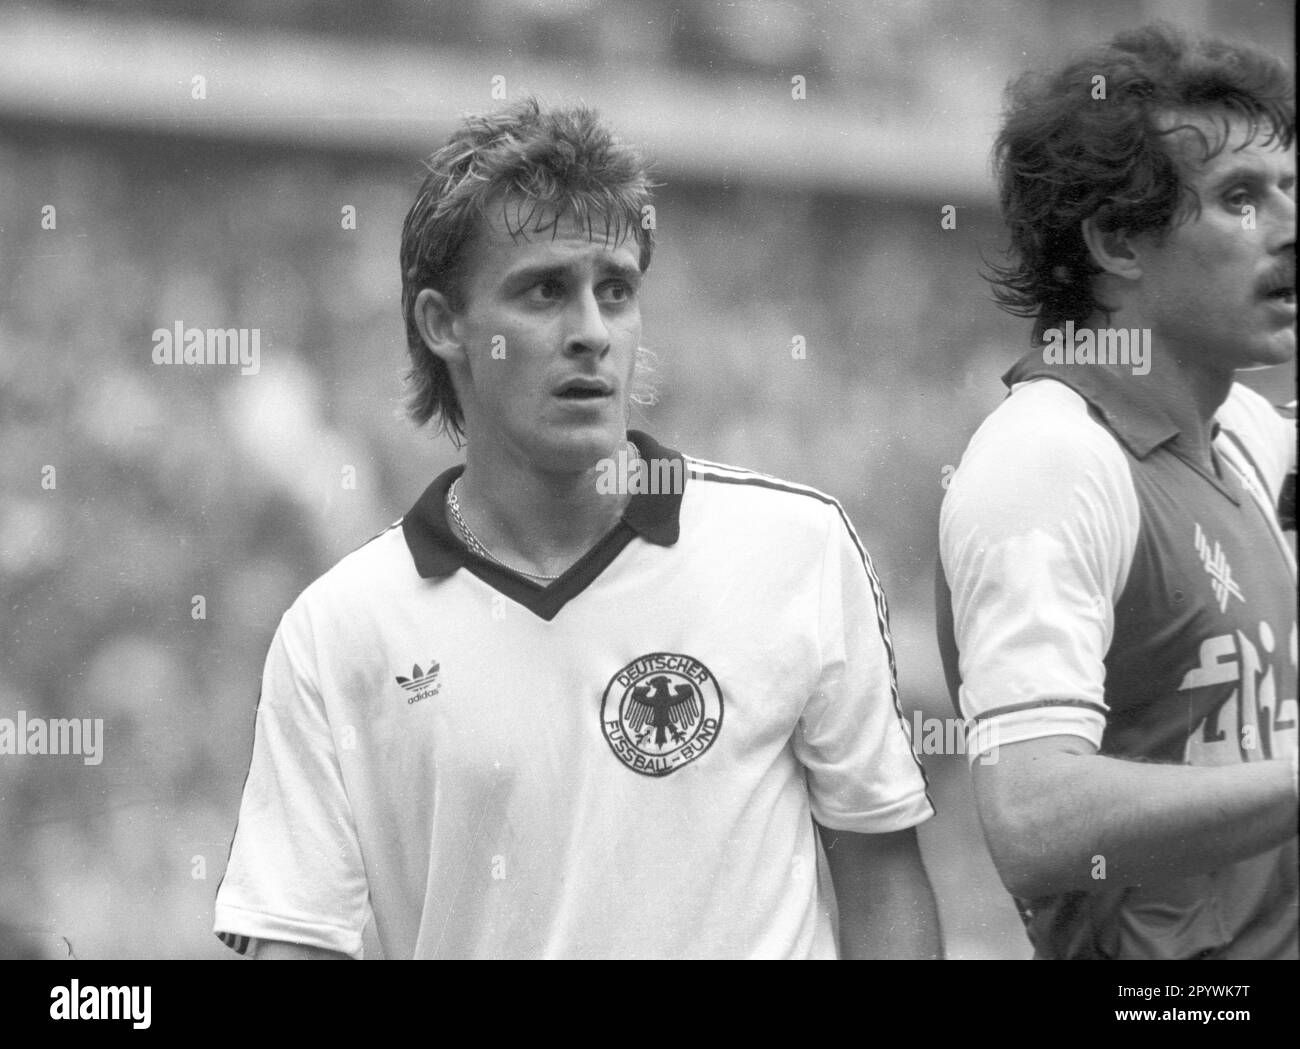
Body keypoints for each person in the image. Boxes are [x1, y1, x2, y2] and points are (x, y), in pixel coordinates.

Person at [214, 97, 939, 959]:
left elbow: (882, 877)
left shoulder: (799, 550)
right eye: (544, 291)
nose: (593, 333)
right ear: (444, 325)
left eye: (617, 290)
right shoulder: (338, 632)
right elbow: (296, 941)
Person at [938, 24, 1297, 960]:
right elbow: (1034, 819)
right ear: (1116, 239)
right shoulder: (1049, 462)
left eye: (1290, 189)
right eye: (1242, 198)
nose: (1290, 226)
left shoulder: (1244, 438)